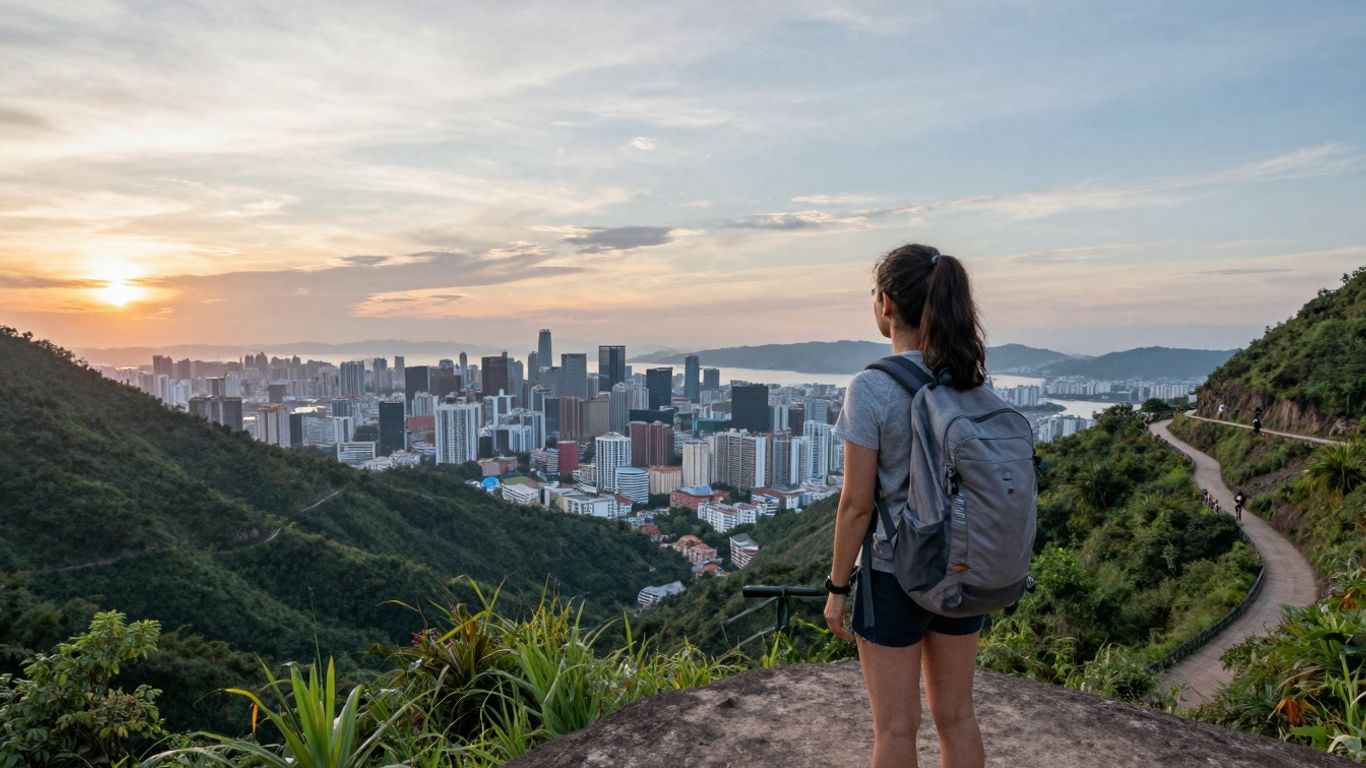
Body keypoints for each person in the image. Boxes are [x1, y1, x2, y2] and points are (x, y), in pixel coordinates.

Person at [826, 244, 988, 768]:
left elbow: (856, 506)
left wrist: (837, 589)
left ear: (887, 304)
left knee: (896, 728)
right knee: (957, 718)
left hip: (894, 573)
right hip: (961, 568)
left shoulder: (871, 387)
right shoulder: (971, 380)